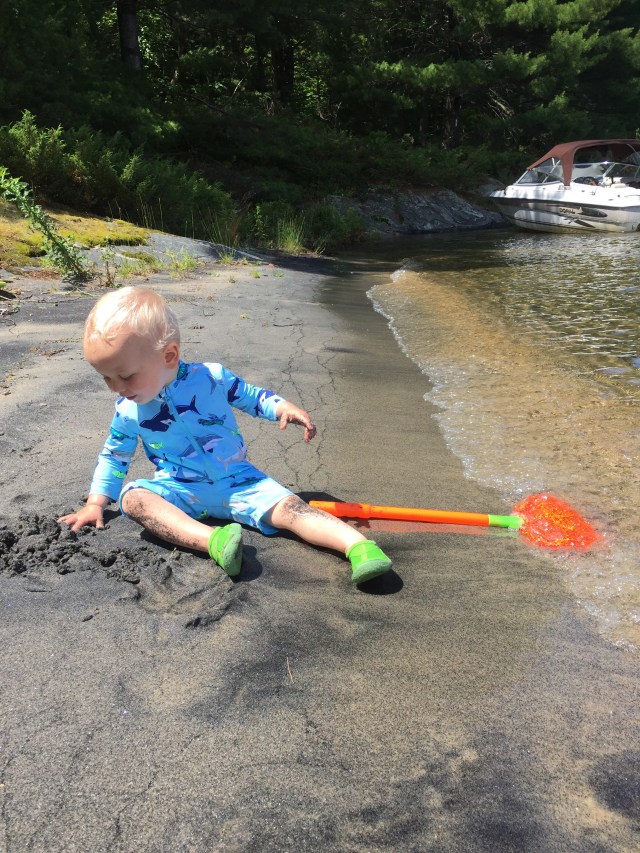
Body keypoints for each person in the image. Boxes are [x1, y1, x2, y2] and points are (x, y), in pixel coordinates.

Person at [58, 286, 392, 585]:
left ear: (169, 356)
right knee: (134, 499)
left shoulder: (211, 377)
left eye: (125, 375)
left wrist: (281, 407)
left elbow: (251, 396)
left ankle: (359, 547)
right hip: (181, 487)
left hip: (240, 480)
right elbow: (114, 454)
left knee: (293, 509)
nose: (116, 387)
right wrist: (96, 503)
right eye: (106, 378)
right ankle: (214, 541)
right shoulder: (127, 410)